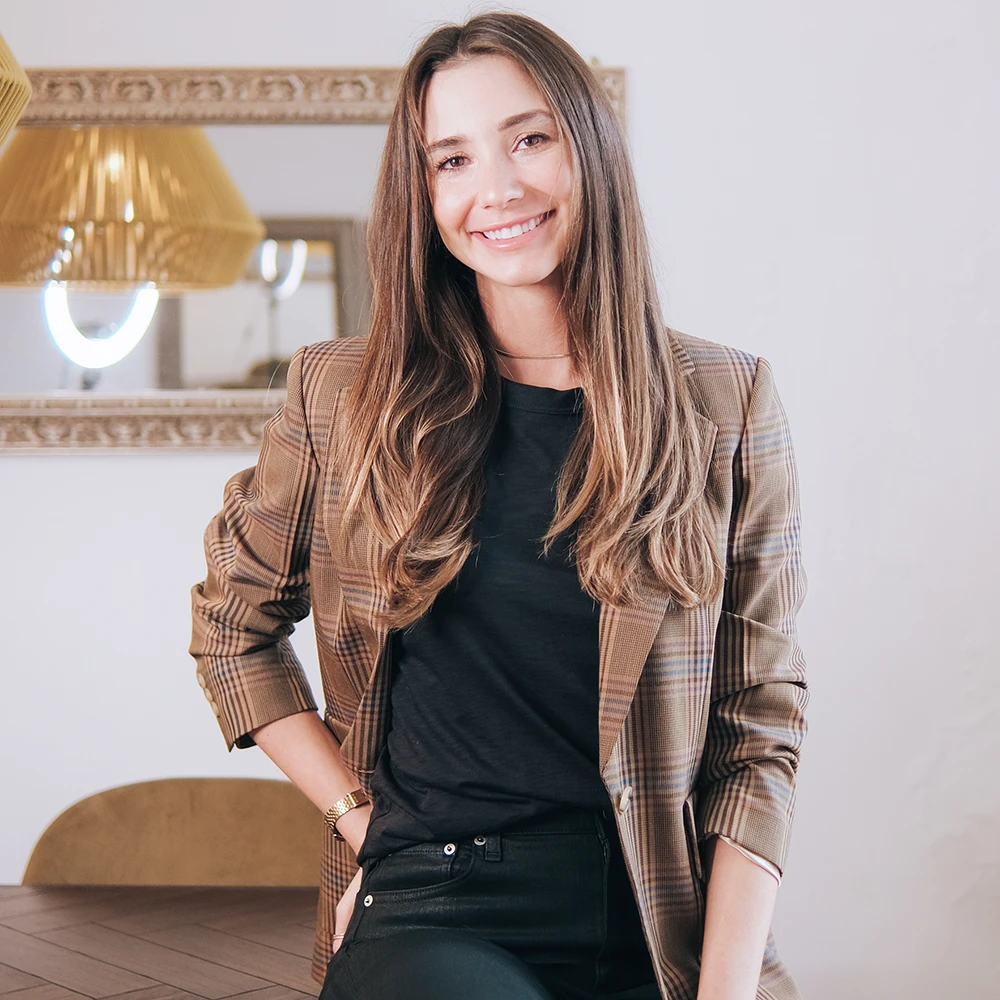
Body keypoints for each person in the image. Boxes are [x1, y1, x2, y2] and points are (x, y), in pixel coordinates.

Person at [190, 11, 809, 1000]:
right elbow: (233, 630)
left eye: (529, 139)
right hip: (439, 901)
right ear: (422, 190)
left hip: (655, 914)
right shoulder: (340, 396)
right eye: (452, 160)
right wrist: (364, 820)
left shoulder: (723, 401)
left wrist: (724, 984)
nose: (497, 188)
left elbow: (756, 722)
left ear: (588, 149)